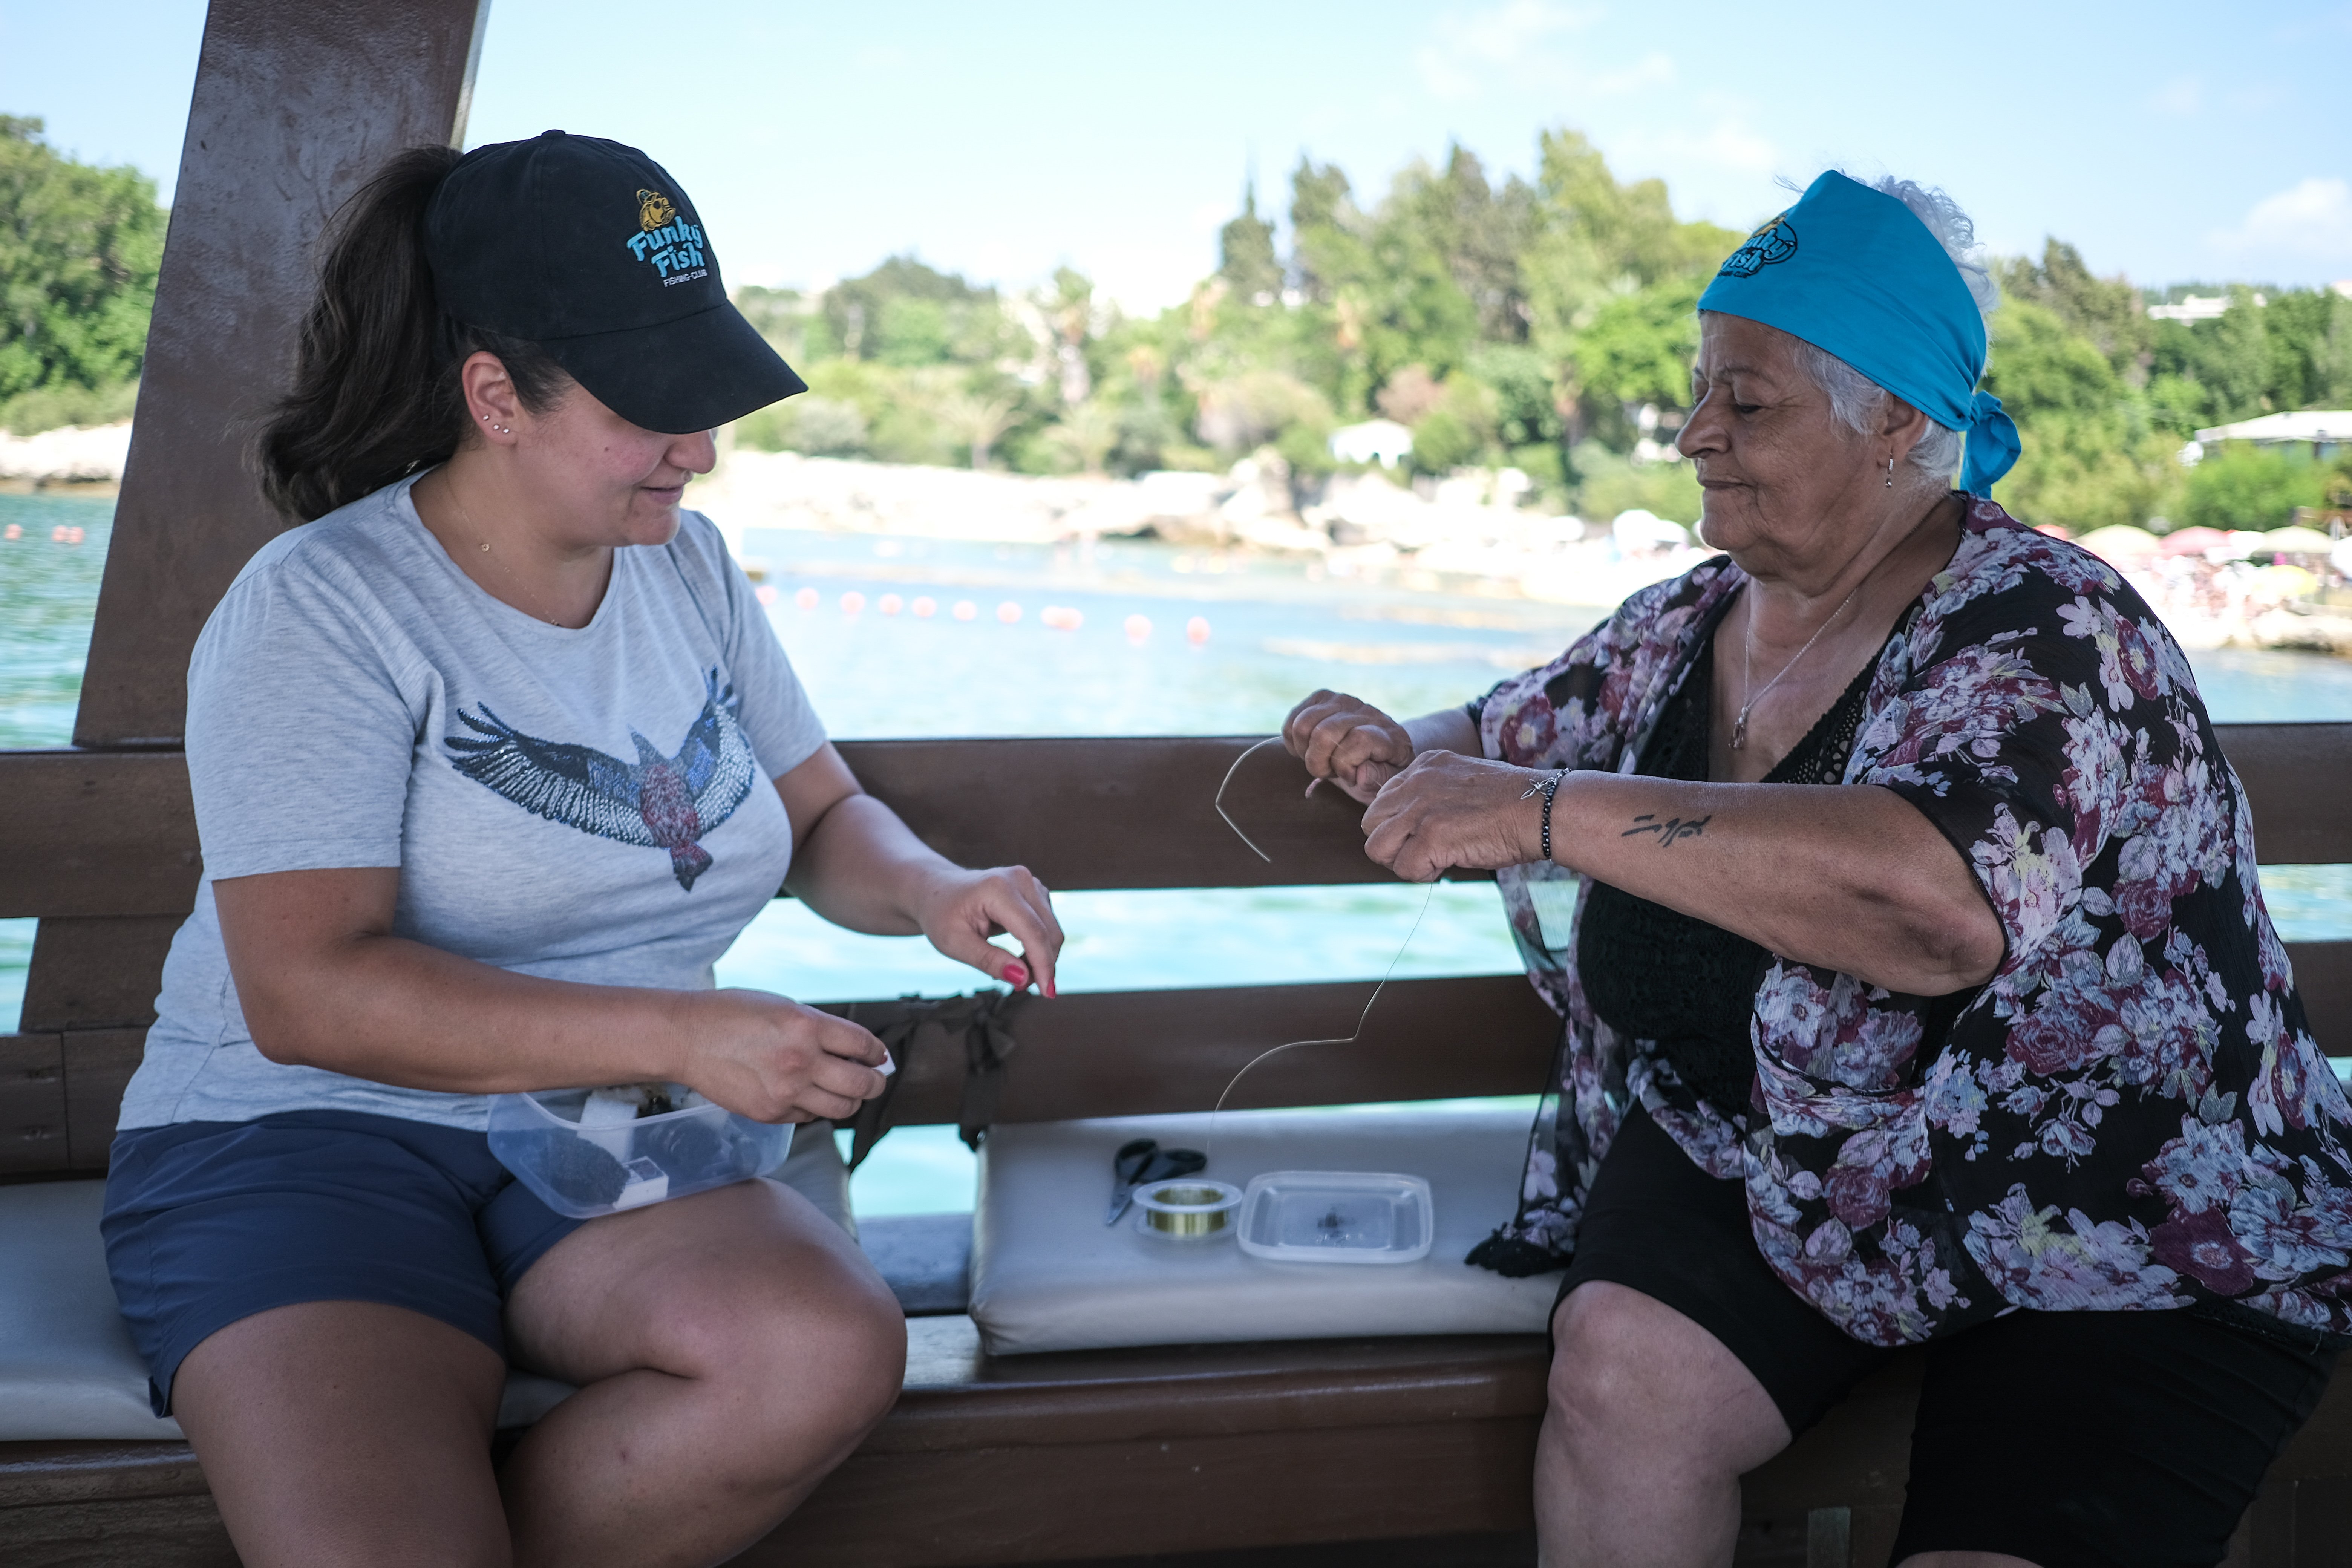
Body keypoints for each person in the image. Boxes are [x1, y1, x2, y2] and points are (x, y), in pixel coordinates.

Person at [1283, 171, 2349, 1568]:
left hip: (2116, 1199)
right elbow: (1504, 732)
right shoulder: (1690, 624)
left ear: (1900, 417)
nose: (1691, 434)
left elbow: (1932, 909)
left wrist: (1539, 809)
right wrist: (1394, 745)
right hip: (1792, 1160)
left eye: (1748, 400)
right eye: (1698, 391)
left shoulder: (2054, 627)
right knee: (1621, 1368)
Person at [100, 132, 1062, 1568]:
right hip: (297, 1142)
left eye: (711, 397)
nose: (702, 445)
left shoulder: (687, 563)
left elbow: (815, 817)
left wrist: (932, 889)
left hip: (594, 1137)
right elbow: (304, 993)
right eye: (657, 407)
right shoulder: (321, 607)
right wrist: (686, 1028)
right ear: (495, 396)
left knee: (819, 1349)